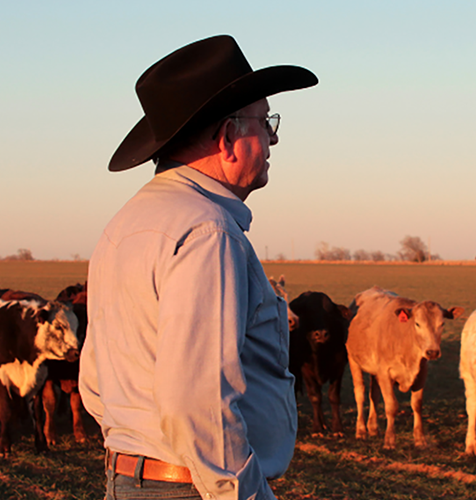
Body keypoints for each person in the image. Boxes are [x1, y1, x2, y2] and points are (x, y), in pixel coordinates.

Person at [78, 35, 317, 500]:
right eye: (264, 122)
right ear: (228, 138)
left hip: (131, 478)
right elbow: (199, 403)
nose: (272, 137)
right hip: (191, 488)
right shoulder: (208, 233)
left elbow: (94, 384)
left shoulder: (124, 225)